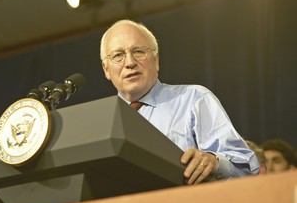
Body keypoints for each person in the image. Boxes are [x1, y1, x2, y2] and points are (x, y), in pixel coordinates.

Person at [100, 19, 260, 184]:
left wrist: (214, 162)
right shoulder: (100, 123)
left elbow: (247, 168)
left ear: (156, 61)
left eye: (139, 51)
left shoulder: (194, 100)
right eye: (118, 55)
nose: (130, 62)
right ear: (106, 69)